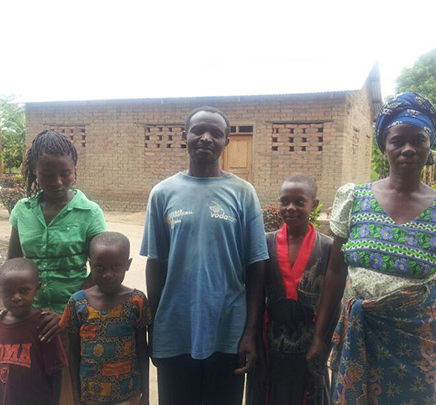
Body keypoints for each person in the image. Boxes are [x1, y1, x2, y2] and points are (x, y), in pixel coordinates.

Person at [306, 92, 436, 404]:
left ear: (430, 145)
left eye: (418, 140)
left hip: (418, 345)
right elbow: (334, 273)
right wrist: (320, 338)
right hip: (359, 338)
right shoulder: (354, 199)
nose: (408, 149)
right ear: (384, 145)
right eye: (398, 141)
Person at [140, 106, 269, 405]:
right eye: (198, 130)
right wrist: (155, 327)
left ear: (226, 142)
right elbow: (155, 264)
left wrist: (250, 331)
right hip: (175, 329)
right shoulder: (163, 193)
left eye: (216, 133)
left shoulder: (242, 192)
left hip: (228, 330)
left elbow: (256, 267)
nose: (206, 138)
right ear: (184, 135)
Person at [0, 130, 107, 403]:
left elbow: (100, 270)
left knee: (70, 389)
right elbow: (13, 264)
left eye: (66, 173)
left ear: (74, 169)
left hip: (76, 320)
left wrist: (66, 315)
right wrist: (5, 309)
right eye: (47, 174)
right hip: (31, 321)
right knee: (33, 389)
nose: (58, 181)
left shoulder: (90, 213)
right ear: (34, 172)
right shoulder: (22, 211)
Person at [248, 175, 333, 405]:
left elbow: (332, 301)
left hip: (311, 344)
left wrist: (322, 342)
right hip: (271, 344)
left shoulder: (327, 248)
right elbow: (255, 295)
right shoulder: (266, 243)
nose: (290, 208)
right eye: (285, 201)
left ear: (314, 205)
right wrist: (251, 337)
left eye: (299, 202)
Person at [60, 232, 151, 405]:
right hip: (91, 396)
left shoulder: (137, 301)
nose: (107, 274)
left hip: (128, 394)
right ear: (90, 265)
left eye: (115, 267)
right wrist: (76, 395)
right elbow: (72, 352)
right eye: (100, 267)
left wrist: (145, 394)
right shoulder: (77, 303)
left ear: (128, 265)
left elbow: (142, 349)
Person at [0, 258, 67, 405]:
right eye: (8, 292)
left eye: (24, 290)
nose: (17, 297)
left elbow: (56, 374)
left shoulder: (44, 325)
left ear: (37, 289)